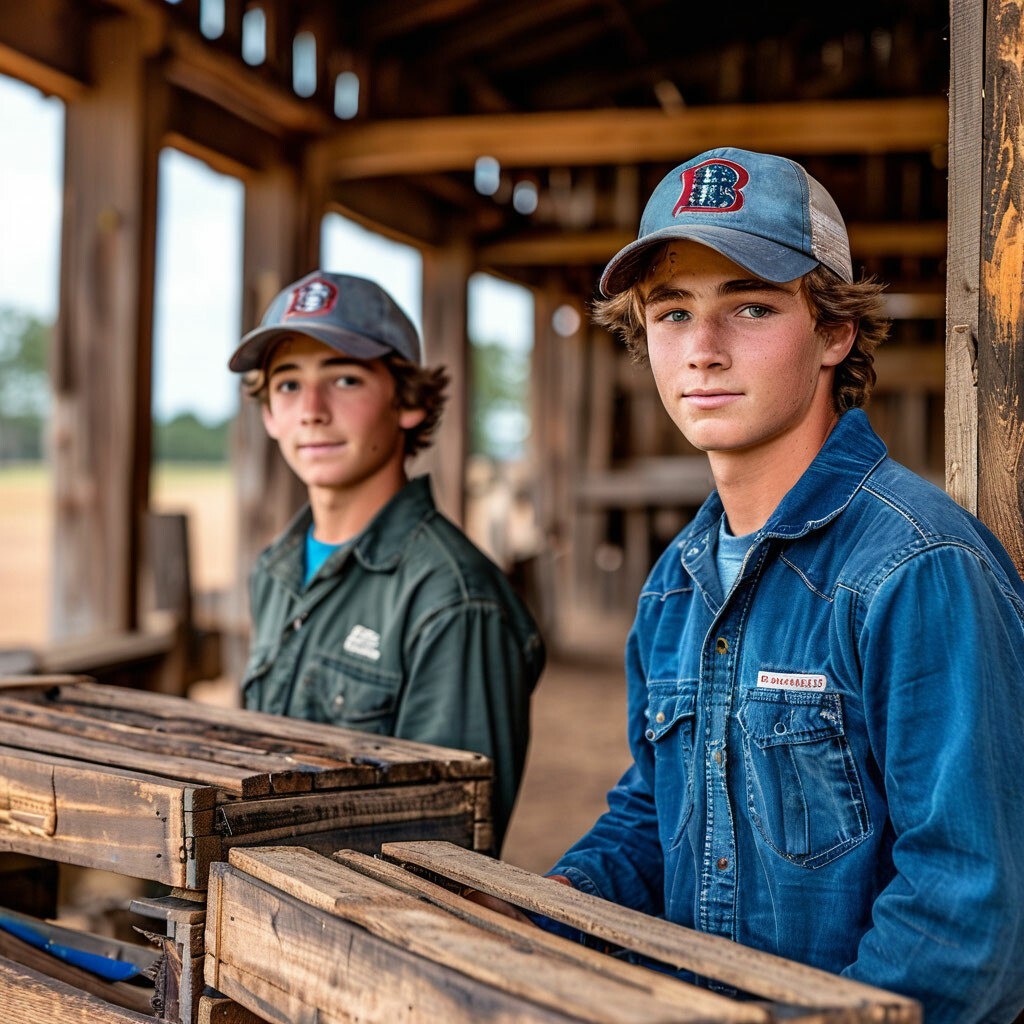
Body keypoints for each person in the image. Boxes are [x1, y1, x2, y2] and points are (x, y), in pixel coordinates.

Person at [533, 149, 1024, 1020]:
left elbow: (965, 916)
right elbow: (654, 814)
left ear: (835, 330)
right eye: (673, 312)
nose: (704, 351)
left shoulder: (918, 570)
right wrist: (549, 906)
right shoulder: (674, 587)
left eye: (750, 307)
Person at [228, 270, 545, 853]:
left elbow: (448, 846)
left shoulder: (455, 600)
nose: (312, 411)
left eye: (345, 379)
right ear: (269, 413)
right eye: (288, 385)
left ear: (410, 402)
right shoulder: (274, 569)